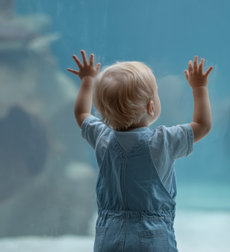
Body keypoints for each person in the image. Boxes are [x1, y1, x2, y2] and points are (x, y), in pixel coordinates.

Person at [67, 50, 213, 251]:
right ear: (151, 106)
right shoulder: (162, 142)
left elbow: (81, 114)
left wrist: (87, 80)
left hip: (109, 235)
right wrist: (199, 87)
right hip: (151, 237)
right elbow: (202, 125)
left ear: (101, 109)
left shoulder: (102, 138)